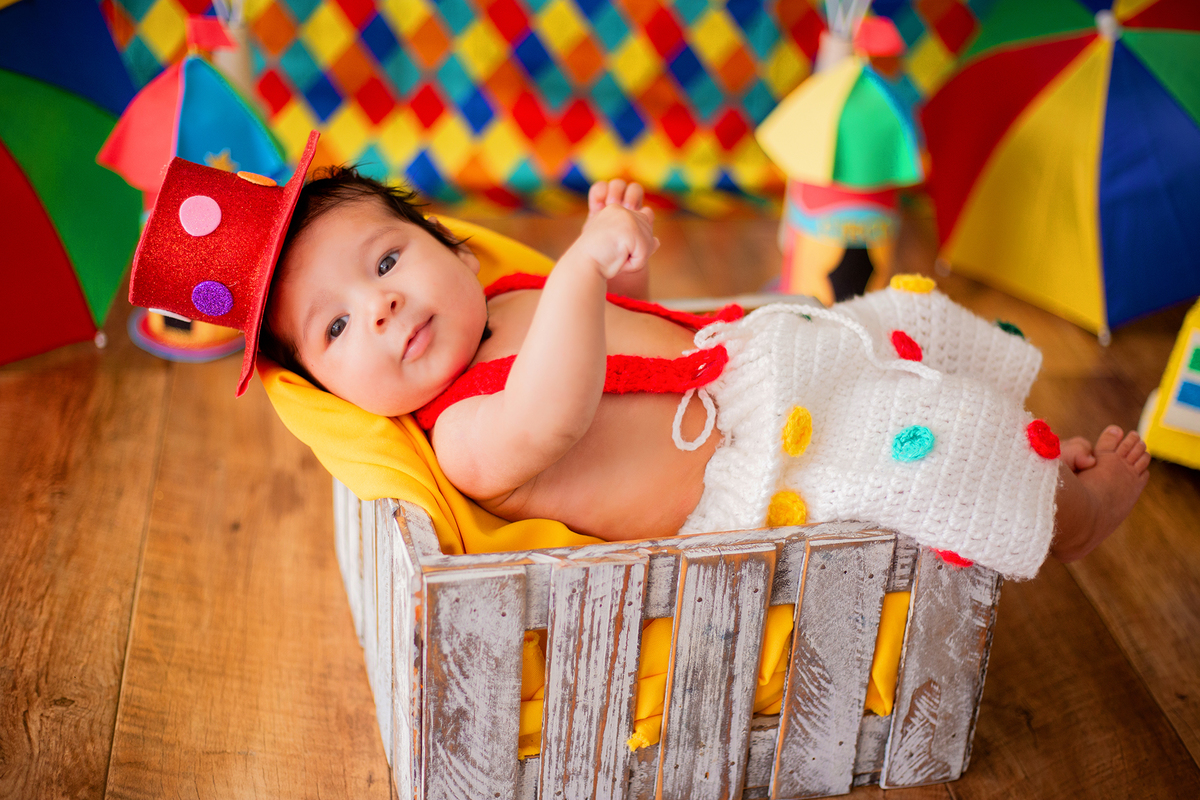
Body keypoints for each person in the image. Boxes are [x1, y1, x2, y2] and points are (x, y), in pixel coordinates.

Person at [258, 168, 1149, 579]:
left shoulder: (509, 297)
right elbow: (556, 412)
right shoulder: (462, 436)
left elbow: (623, 332)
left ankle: (1024, 440)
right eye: (335, 326)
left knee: (904, 324)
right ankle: (1067, 516)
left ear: (452, 247)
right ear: (339, 397)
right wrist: (580, 269)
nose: (376, 307)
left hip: (758, 368)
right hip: (760, 482)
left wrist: (625, 270)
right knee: (941, 453)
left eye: (385, 264)